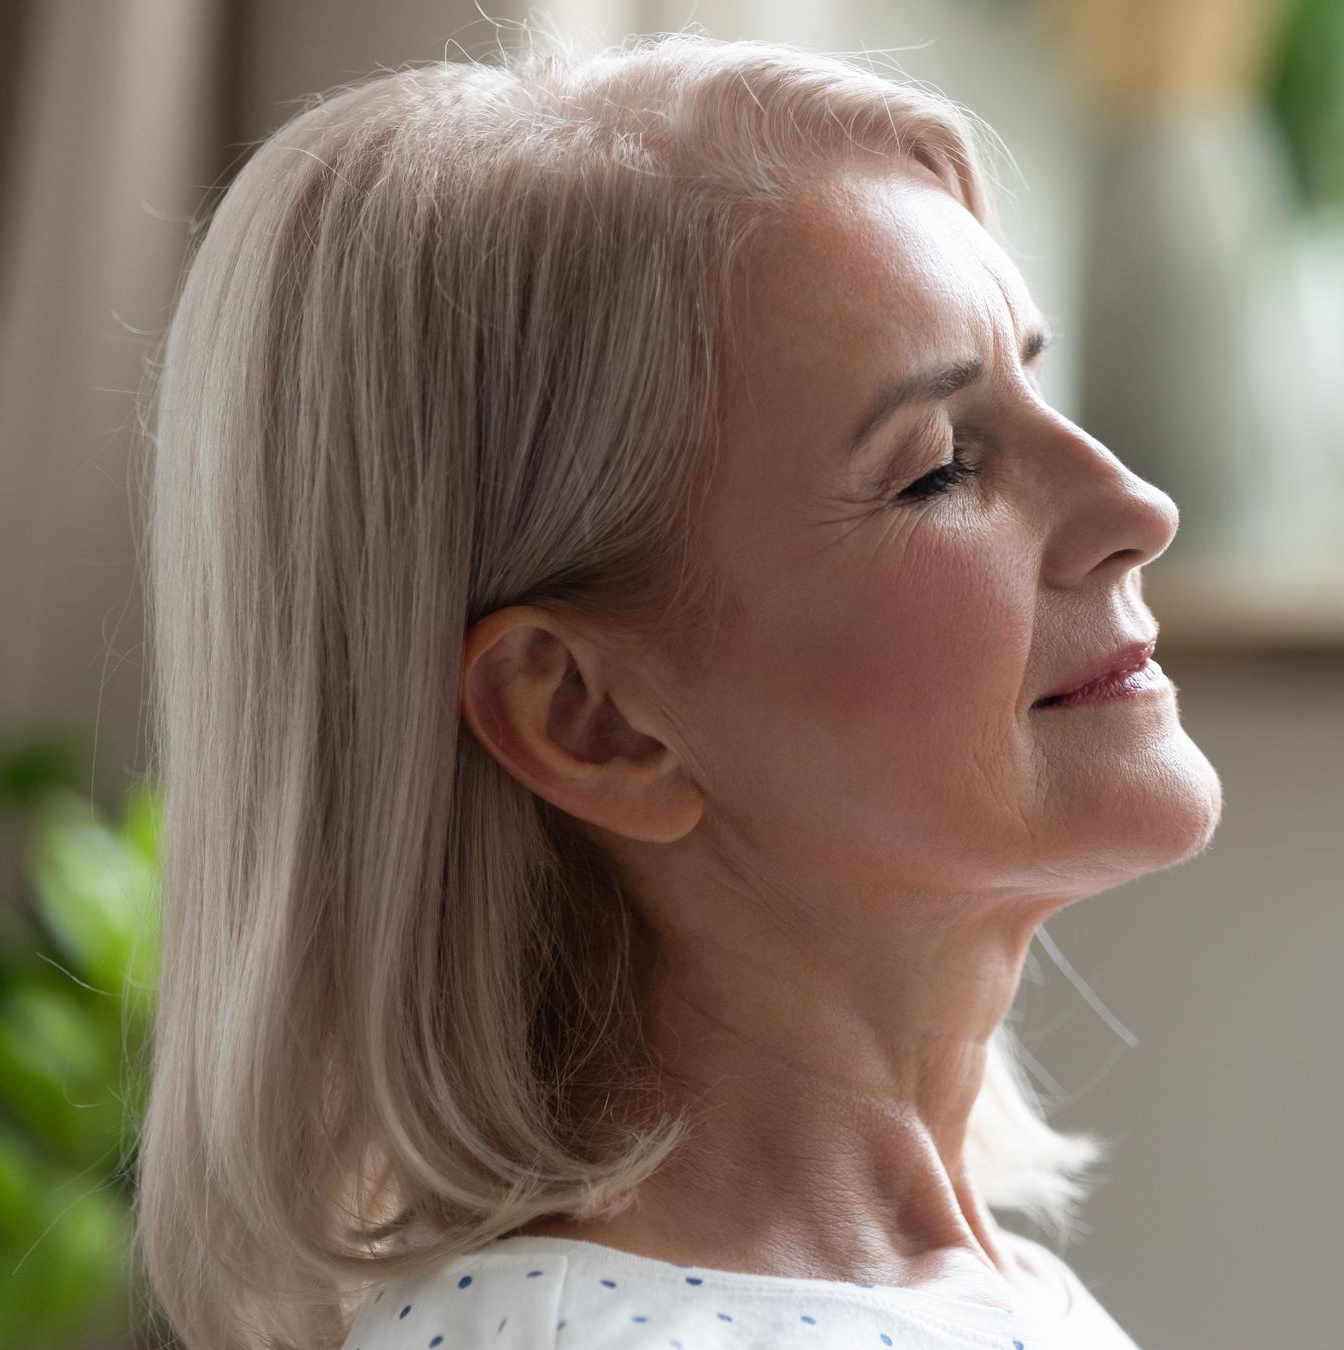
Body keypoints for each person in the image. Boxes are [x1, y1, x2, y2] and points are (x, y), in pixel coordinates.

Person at [133, 25, 1224, 1350]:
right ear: (588, 716)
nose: (1136, 506)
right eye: (940, 463)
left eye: (1036, 385)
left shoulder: (983, 1295)